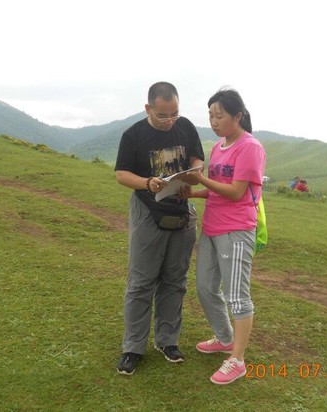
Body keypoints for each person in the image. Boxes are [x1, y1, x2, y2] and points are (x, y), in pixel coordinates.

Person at [114, 81, 205, 375]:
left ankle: (168, 341)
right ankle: (133, 347)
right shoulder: (134, 135)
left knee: (175, 280)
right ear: (148, 108)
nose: (169, 121)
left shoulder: (185, 127)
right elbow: (121, 174)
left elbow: (196, 158)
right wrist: (147, 182)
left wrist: (195, 171)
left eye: (174, 114)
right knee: (141, 282)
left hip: (181, 211)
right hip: (147, 211)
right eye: (162, 115)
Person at [182, 88, 266, 384]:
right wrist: (193, 192)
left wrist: (201, 179)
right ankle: (225, 338)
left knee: (237, 297)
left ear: (237, 116)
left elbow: (236, 192)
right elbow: (217, 189)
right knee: (205, 287)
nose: (214, 121)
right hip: (212, 227)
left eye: (219, 116)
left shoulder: (250, 147)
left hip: (237, 229)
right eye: (210, 116)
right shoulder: (219, 146)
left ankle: (238, 360)